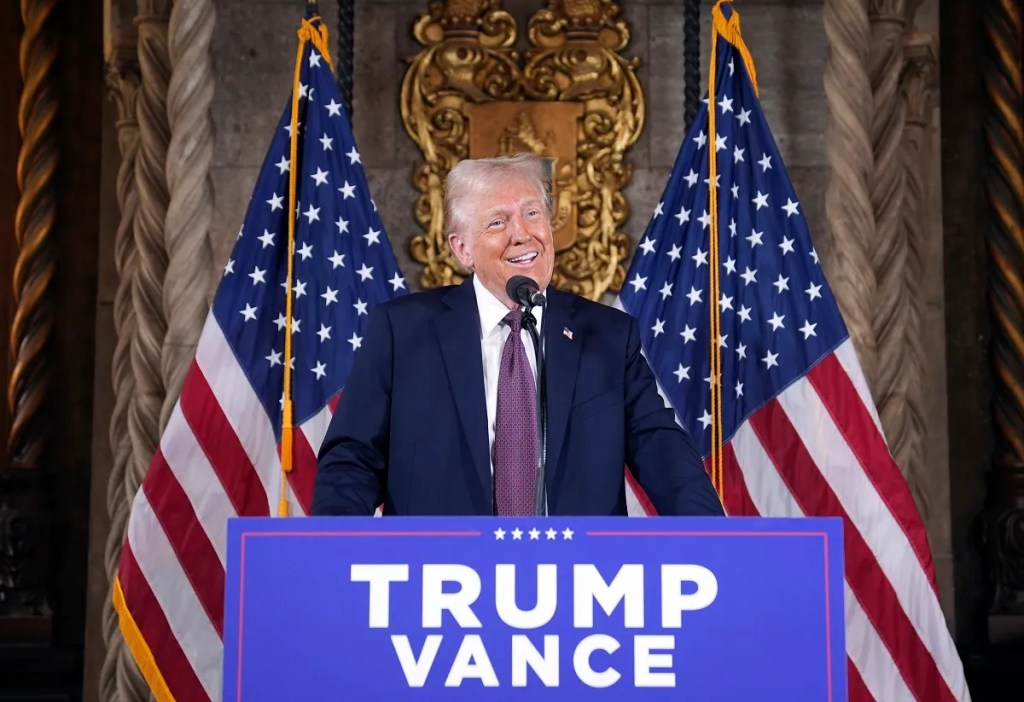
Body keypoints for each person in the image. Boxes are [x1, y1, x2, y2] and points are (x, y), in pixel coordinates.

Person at [312, 153, 724, 517]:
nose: (522, 233)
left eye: (532, 214)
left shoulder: (608, 336)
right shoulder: (402, 332)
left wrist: (721, 547)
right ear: (462, 249)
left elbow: (663, 452)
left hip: (579, 580)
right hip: (436, 580)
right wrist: (334, 556)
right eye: (497, 222)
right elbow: (353, 460)